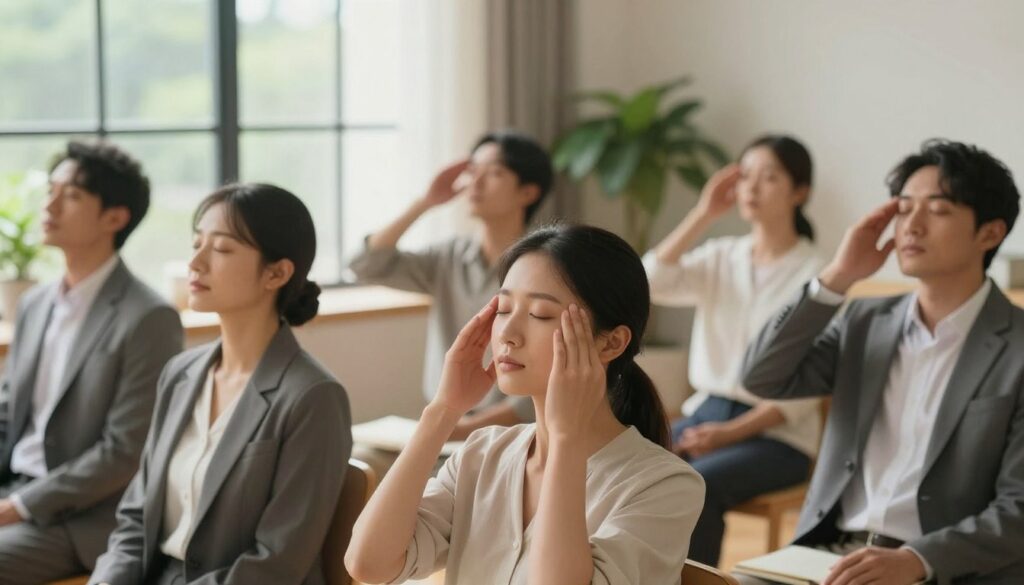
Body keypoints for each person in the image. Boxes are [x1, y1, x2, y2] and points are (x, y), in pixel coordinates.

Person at [345, 224, 705, 585]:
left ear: (611, 344)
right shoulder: (481, 456)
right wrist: (443, 410)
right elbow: (368, 565)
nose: (508, 334)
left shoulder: (666, 485)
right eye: (503, 309)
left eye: (540, 315)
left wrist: (566, 440)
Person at [739, 139, 1024, 584]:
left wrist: (918, 560)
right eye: (904, 208)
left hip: (944, 569)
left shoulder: (1018, 347)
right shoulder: (865, 320)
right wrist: (837, 278)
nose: (911, 225)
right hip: (828, 555)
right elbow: (762, 376)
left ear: (990, 232)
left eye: (938, 209)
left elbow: (1018, 508)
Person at [89, 184, 352, 585]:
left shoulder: (312, 397)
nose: (195, 262)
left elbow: (276, 563)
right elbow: (134, 521)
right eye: (197, 244)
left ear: (277, 273)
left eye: (222, 249)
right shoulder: (180, 374)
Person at [0, 141, 183, 584]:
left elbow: (123, 451)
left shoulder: (148, 317)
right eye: (51, 190)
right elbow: (7, 414)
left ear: (115, 218)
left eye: (72, 195)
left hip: (83, 519)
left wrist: (19, 506)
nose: (50, 204)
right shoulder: (34, 304)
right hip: (15, 490)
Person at [644, 134, 824, 565]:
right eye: (745, 177)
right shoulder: (723, 257)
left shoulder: (816, 273)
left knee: (697, 485)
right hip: (706, 413)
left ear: (800, 192)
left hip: (777, 435)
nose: (751, 188)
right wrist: (703, 213)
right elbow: (649, 282)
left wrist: (730, 434)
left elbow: (804, 394)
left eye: (769, 177)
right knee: (625, 463)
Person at [348, 131, 553, 439]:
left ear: (527, 192)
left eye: (494, 172)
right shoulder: (449, 257)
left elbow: (545, 380)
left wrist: (455, 430)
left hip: (515, 434)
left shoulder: (545, 268)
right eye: (473, 172)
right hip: (447, 426)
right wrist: (426, 202)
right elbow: (366, 265)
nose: (476, 182)